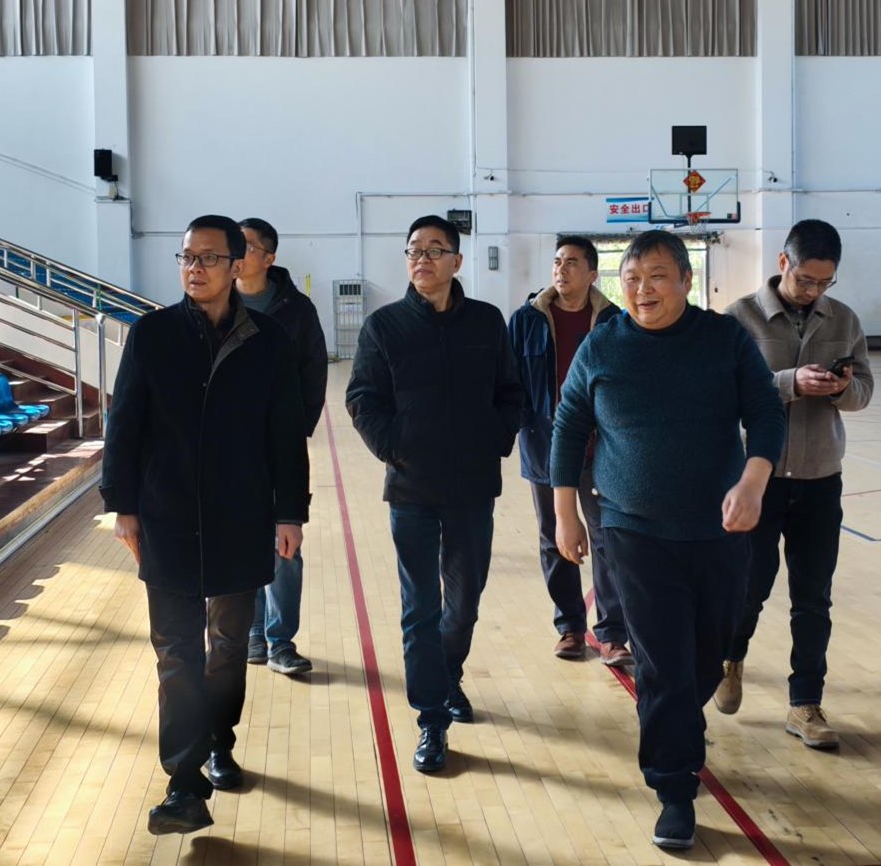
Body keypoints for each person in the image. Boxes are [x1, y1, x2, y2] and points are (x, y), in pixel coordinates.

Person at [551, 230, 784, 850]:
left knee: (705, 657)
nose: (641, 289)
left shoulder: (724, 339)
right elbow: (568, 426)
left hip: (719, 530)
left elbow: (766, 411)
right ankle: (674, 788)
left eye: (656, 276)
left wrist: (754, 481)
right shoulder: (604, 345)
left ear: (686, 279)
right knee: (662, 665)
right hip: (633, 532)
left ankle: (678, 725)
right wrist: (565, 514)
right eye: (630, 278)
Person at [100, 214, 309, 835]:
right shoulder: (153, 334)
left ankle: (220, 739)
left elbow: (285, 434)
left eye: (209, 258)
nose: (195, 268)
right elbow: (124, 422)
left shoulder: (268, 341)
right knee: (175, 652)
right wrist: (122, 505)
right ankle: (183, 784)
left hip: (240, 514)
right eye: (187, 257)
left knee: (228, 647)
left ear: (238, 264)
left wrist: (290, 511)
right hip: (165, 514)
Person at [345, 215, 524, 774]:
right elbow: (362, 399)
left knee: (464, 601)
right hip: (412, 489)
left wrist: (495, 438)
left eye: (434, 249)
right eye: (413, 250)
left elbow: (511, 391)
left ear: (457, 261)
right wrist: (395, 448)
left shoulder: (486, 322)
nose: (421, 259)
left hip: (473, 485)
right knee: (419, 607)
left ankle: (449, 677)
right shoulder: (384, 326)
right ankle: (431, 718)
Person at [715, 218, 874, 750]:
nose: (813, 290)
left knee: (813, 598)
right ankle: (730, 659)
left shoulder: (844, 319)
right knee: (748, 588)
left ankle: (805, 703)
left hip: (820, 479)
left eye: (825, 282)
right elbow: (724, 394)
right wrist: (789, 383)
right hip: (756, 482)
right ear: (783, 262)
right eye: (806, 279)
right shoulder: (739, 318)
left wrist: (841, 388)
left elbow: (864, 391)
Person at [507, 235, 631, 665]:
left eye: (572, 262)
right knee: (553, 538)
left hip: (602, 452)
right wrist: (521, 426)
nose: (561, 269)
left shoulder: (613, 321)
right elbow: (510, 380)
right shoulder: (527, 319)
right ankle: (570, 628)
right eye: (558, 261)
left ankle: (613, 634)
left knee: (607, 538)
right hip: (544, 448)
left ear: (593, 274)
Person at [235, 217, 328, 676]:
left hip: (279, 446)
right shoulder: (214, 300)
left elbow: (314, 372)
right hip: (228, 450)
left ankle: (281, 640)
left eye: (247, 246)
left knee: (284, 544)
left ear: (269, 258)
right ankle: (253, 632)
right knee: (240, 541)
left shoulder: (297, 309)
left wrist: (295, 428)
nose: (237, 253)